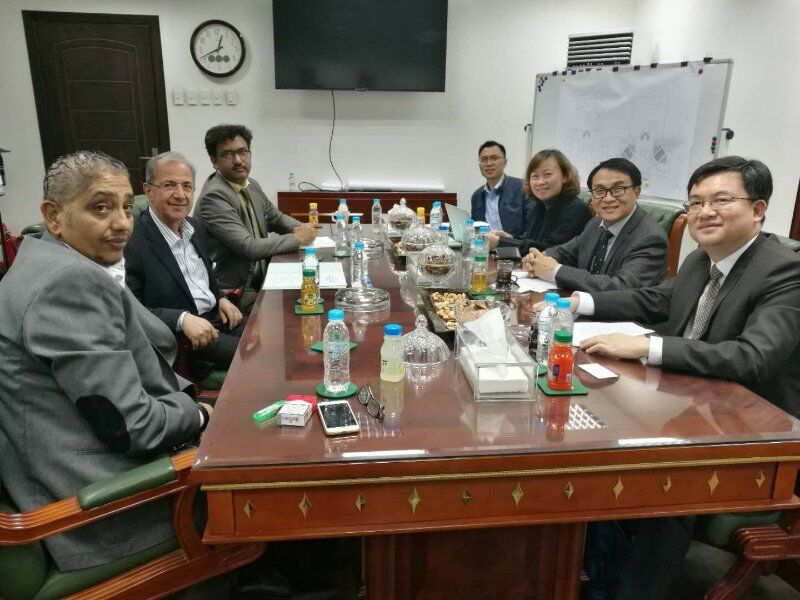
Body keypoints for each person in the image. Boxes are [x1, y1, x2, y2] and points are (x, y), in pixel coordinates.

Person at [563, 156, 800, 600]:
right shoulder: (700, 260)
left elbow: (754, 358)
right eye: (695, 202)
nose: (704, 212)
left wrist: (648, 347)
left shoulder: (785, 270)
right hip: (691, 405)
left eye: (721, 200)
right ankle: (594, 569)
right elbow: (654, 300)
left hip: (755, 429)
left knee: (665, 483)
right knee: (593, 438)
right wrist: (579, 304)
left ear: (758, 209)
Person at [0, 151, 210, 571]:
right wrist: (201, 415)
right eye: (100, 208)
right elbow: (133, 427)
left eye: (127, 208)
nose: (122, 224)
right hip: (101, 506)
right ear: (54, 216)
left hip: (78, 465)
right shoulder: (69, 282)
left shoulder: (48, 258)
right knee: (270, 491)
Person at [125, 152, 244, 372]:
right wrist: (180, 319)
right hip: (186, 339)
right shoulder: (132, 240)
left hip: (217, 317)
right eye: (169, 185)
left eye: (187, 186)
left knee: (270, 335)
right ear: (148, 191)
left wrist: (220, 298)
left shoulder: (194, 227)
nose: (180, 195)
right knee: (257, 354)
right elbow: (130, 310)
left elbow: (203, 275)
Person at [195, 124, 316, 306]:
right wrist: (297, 238)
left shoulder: (250, 185)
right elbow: (248, 247)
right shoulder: (214, 197)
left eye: (242, 152)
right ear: (214, 161)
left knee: (311, 293)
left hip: (260, 282)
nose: (238, 160)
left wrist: (301, 227)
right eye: (228, 154)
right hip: (233, 294)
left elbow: (275, 218)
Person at [522, 157, 667, 292]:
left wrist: (554, 270)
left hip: (619, 310)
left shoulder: (650, 238)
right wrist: (539, 258)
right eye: (600, 190)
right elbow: (565, 252)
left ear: (636, 192)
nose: (608, 198)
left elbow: (621, 288)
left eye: (618, 190)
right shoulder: (596, 223)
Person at [489, 149, 591, 254]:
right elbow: (531, 242)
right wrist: (509, 238)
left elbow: (548, 251)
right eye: (535, 176)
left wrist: (501, 243)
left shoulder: (576, 210)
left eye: (547, 174)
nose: (540, 182)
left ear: (564, 176)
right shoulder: (539, 207)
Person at [470, 140, 530, 238]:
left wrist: (511, 240)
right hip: (485, 246)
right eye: (484, 159)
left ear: (505, 162)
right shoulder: (477, 196)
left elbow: (532, 229)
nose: (489, 163)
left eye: (494, 158)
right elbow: (476, 229)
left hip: (514, 246)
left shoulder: (523, 187)